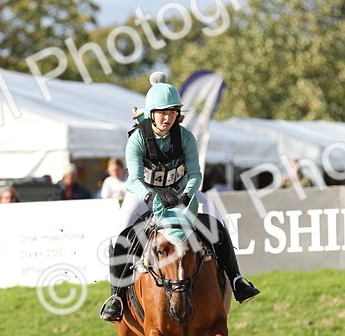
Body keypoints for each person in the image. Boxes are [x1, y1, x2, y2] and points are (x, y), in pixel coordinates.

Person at [99, 72, 259, 322]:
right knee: (120, 234)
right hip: (144, 193)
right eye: (162, 113)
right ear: (151, 113)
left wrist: (185, 194)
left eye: (172, 112)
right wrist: (150, 198)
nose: (167, 118)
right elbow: (134, 179)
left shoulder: (185, 137)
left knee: (217, 224)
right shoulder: (138, 139)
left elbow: (195, 173)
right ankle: (117, 297)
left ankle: (237, 280)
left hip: (180, 189)